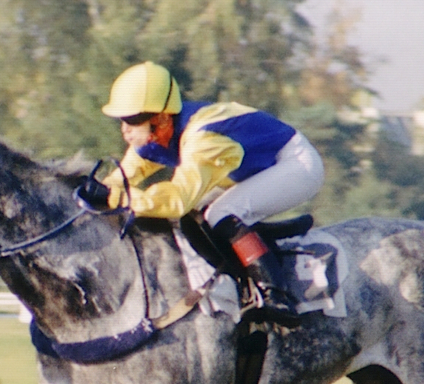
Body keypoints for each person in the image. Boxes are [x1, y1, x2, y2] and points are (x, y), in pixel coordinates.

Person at [76, 61, 325, 325]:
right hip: (251, 169)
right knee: (196, 216)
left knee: (220, 212)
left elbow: (177, 200)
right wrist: (103, 188)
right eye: (123, 119)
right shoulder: (159, 132)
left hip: (295, 163)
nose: (125, 128)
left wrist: (117, 198)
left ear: (162, 119)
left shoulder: (202, 139)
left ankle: (275, 295)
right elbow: (130, 172)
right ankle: (243, 266)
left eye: (134, 120)